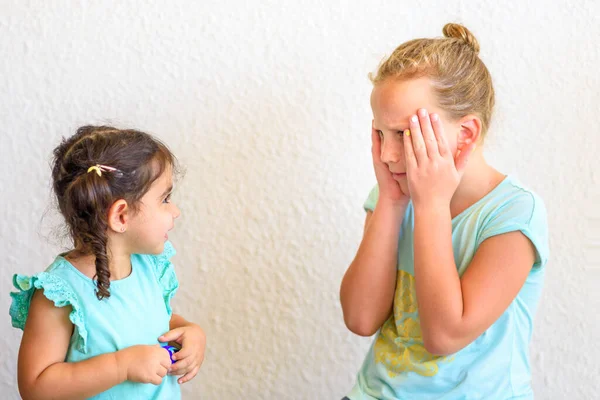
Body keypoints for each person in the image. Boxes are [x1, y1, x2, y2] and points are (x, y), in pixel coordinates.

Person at [340, 23, 549, 399]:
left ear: (466, 134)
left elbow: (444, 335)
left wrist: (431, 204)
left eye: (404, 134)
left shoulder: (514, 214)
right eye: (381, 135)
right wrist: (390, 201)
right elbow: (359, 318)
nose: (387, 155)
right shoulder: (392, 195)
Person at [9, 125, 206, 400]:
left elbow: (147, 320)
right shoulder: (60, 294)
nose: (175, 211)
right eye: (165, 199)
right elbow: (35, 387)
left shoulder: (148, 268)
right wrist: (120, 366)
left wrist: (190, 332)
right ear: (121, 216)